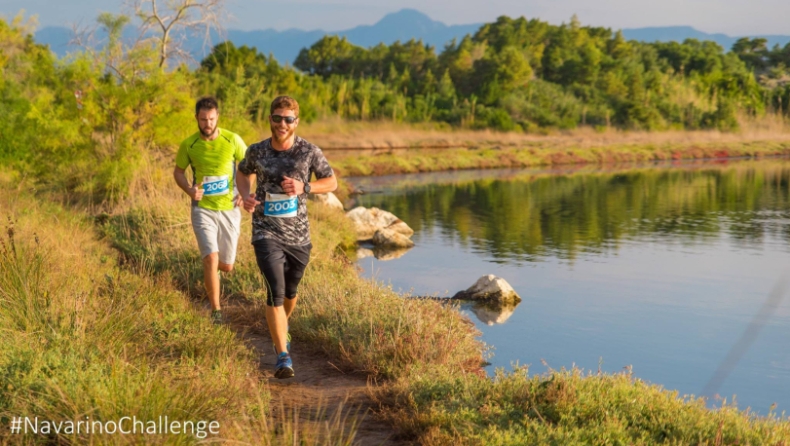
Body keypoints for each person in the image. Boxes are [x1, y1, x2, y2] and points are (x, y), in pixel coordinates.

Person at [236, 96, 337, 379]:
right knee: (275, 291)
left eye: (288, 119)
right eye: (277, 118)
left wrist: (304, 186)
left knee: (290, 292)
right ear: (270, 119)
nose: (282, 123)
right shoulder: (256, 151)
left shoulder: (309, 152)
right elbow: (242, 172)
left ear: (296, 122)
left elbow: (332, 181)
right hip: (265, 231)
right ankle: (282, 355)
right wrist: (245, 195)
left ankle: (282, 330)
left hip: (299, 236)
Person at [174, 96, 247, 324]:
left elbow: (249, 168)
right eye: (204, 119)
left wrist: (245, 194)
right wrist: (189, 189)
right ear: (196, 118)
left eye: (212, 119)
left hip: (229, 209)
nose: (208, 124)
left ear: (217, 118)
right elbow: (178, 172)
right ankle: (216, 310)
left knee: (226, 266)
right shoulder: (189, 144)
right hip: (202, 209)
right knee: (211, 259)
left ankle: (215, 275)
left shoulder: (232, 140)